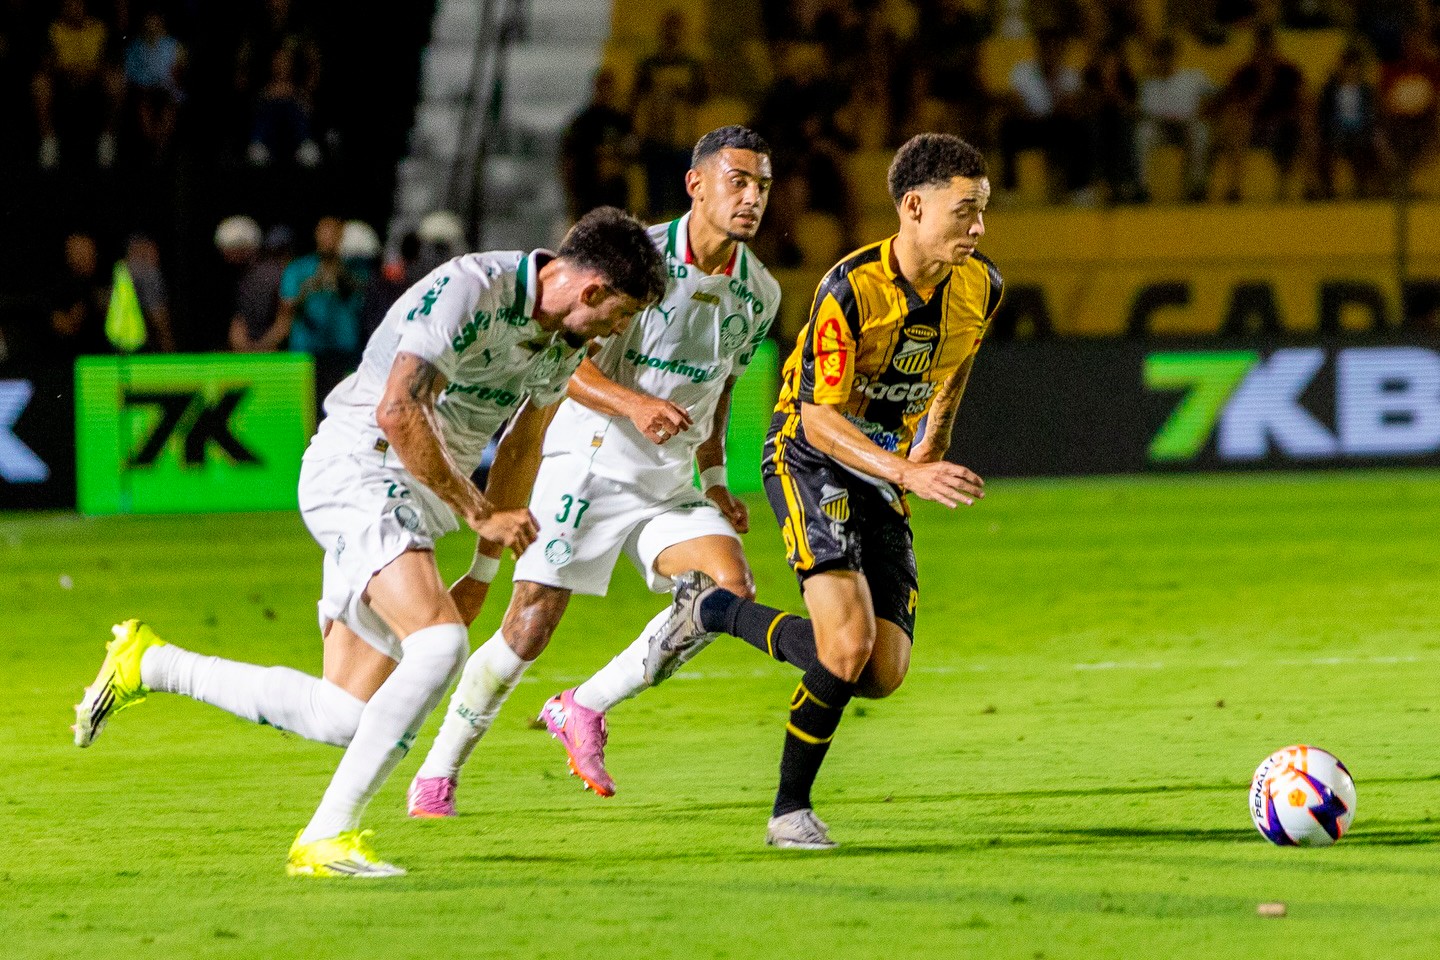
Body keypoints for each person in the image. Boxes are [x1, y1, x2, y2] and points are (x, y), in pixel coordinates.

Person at [71, 207, 667, 878]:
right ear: (592, 289)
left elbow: (521, 443)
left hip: (417, 498)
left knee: (344, 714)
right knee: (439, 645)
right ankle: (326, 838)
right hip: (361, 465)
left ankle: (151, 665)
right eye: (620, 314)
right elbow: (398, 409)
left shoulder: (563, 341)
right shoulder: (473, 288)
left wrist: (481, 570)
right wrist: (477, 513)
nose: (617, 331)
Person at [407, 126, 781, 813]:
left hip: (667, 482)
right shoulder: (636, 258)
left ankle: (583, 704)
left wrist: (717, 480)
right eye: (738, 182)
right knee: (529, 627)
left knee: (728, 587)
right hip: (587, 462)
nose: (752, 198)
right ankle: (437, 771)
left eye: (762, 185)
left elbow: (720, 389)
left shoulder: (760, 292)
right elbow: (565, 362)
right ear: (696, 185)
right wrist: (635, 404)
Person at [652, 133, 997, 849]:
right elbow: (818, 418)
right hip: (809, 454)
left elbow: (959, 360)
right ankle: (789, 812)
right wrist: (909, 472)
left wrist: (933, 440)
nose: (978, 227)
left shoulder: (982, 286)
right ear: (913, 206)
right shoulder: (851, 288)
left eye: (982, 210)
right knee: (845, 646)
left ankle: (713, 610)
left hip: (885, 464)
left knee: (881, 671)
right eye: (964, 211)